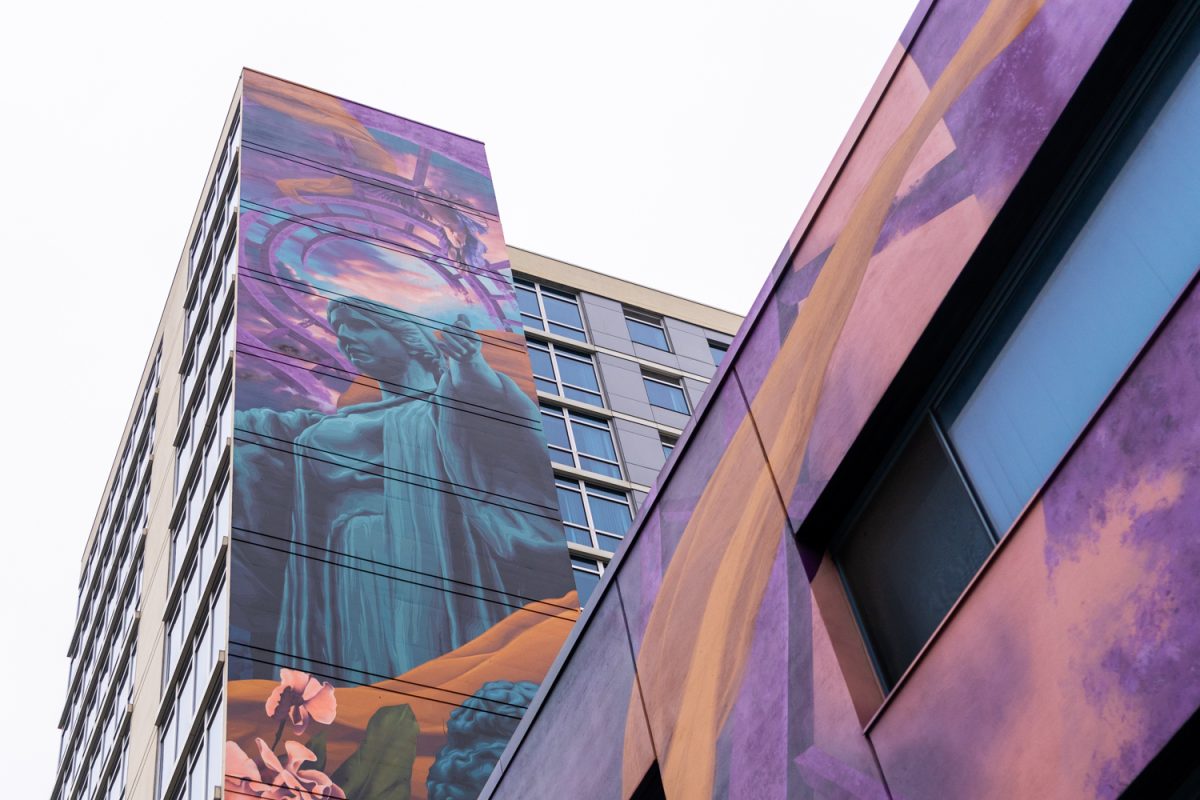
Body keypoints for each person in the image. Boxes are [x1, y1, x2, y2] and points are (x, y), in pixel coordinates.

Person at [233, 298, 570, 683]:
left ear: (407, 336)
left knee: (428, 671)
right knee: (368, 679)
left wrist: (469, 365)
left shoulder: (450, 403)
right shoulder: (324, 426)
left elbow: (502, 423)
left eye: (360, 328)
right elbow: (257, 429)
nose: (348, 341)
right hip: (349, 568)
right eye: (342, 336)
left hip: (436, 560)